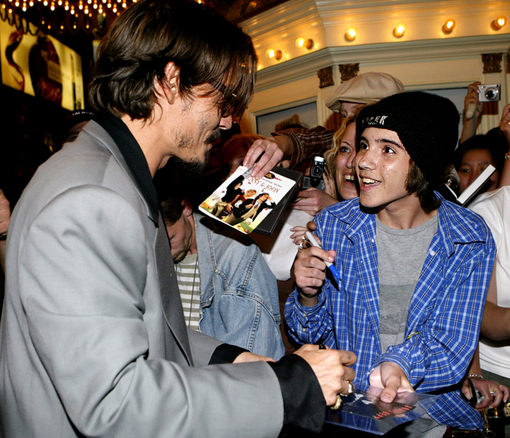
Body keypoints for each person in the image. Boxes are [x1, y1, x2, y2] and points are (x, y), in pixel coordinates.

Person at [0, 1, 357, 437]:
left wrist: (235, 359)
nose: (228, 121)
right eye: (224, 101)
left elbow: (147, 336)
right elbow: (116, 403)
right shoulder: (92, 199)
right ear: (170, 81)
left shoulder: (112, 178)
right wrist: (288, 387)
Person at [285, 91, 496, 435]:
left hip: (429, 415)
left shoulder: (468, 236)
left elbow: (452, 345)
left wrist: (400, 363)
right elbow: (306, 334)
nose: (362, 161)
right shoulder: (335, 224)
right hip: (347, 410)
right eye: (364, 145)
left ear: (425, 159)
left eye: (387, 150)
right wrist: (308, 294)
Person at [162, 193, 285, 359]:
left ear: (187, 208)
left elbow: (249, 357)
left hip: (214, 372)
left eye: (170, 239)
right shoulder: (151, 250)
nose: (165, 251)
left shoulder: (235, 253)